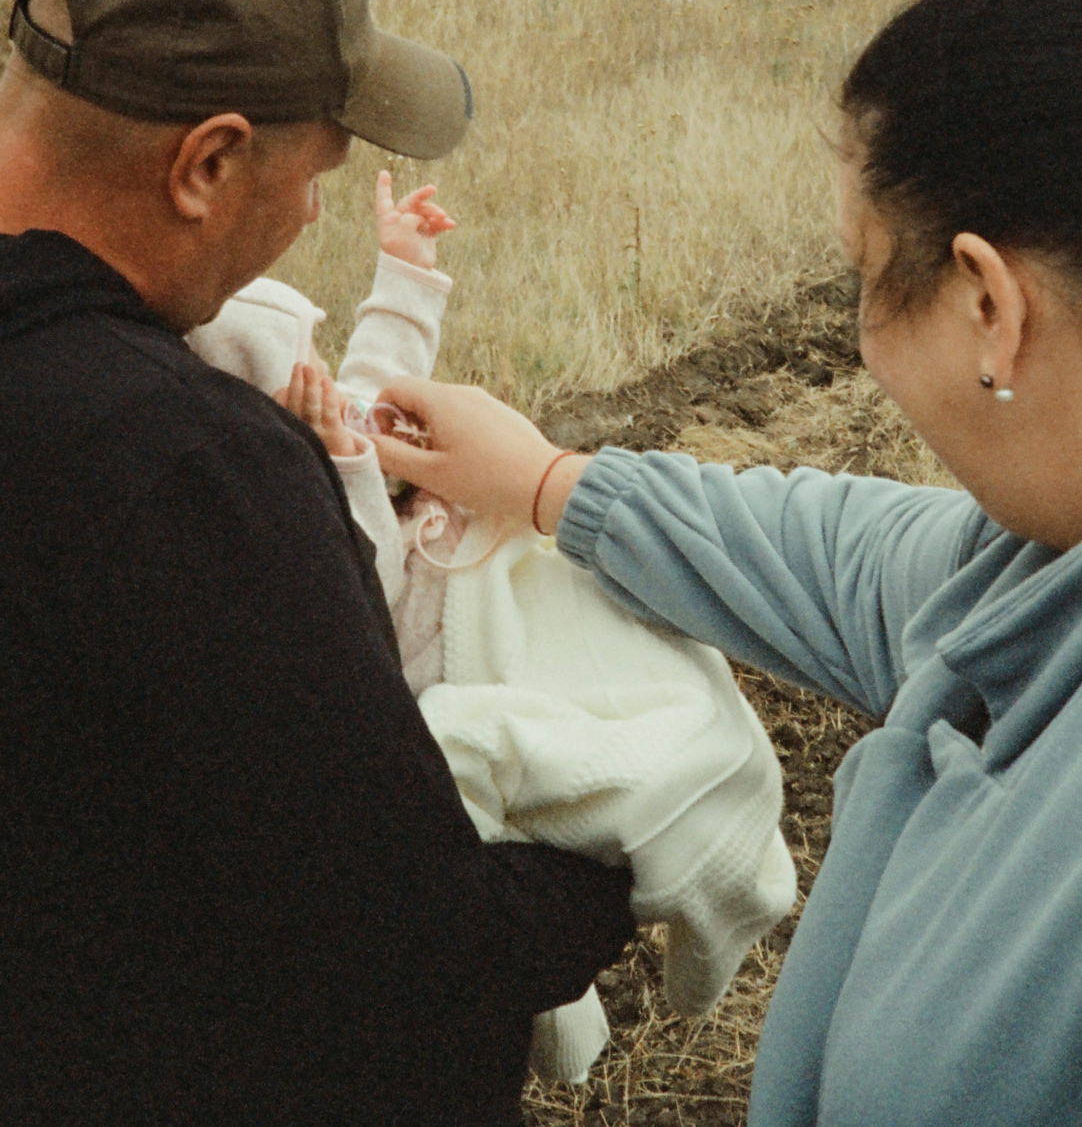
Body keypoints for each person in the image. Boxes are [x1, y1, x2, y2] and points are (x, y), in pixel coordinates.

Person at [369, 0, 1082, 1126]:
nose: (855, 331)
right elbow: (838, 556)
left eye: (861, 275)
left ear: (986, 307)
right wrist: (546, 482)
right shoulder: (1081, 544)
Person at [0, 0, 633, 1126]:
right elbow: (405, 949)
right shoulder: (188, 470)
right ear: (209, 163)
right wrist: (608, 873)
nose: (308, 214)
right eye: (321, 176)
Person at [188, 169, 797, 1084]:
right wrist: (347, 470)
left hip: (492, 569)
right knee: (616, 732)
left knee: (647, 649)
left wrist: (405, 274)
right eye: (290, 375)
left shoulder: (309, 406)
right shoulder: (265, 498)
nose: (318, 386)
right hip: (446, 643)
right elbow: (358, 595)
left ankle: (713, 790)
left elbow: (376, 388)